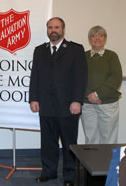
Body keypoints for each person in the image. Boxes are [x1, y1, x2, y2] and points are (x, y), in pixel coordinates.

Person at [29, 17, 87, 186]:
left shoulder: (75, 49)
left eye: (56, 27)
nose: (53, 30)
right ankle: (48, 172)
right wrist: (33, 98)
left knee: (69, 144)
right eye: (50, 27)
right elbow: (35, 77)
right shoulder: (39, 50)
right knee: (47, 142)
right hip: (46, 105)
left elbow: (80, 78)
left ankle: (70, 176)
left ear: (63, 29)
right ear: (47, 30)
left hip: (68, 106)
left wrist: (77, 101)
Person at [81, 26, 122, 144]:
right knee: (90, 138)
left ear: (105, 39)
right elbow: (78, 78)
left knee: (109, 138)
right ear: (89, 39)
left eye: (100, 35)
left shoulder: (112, 56)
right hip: (87, 103)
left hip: (108, 103)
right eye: (93, 35)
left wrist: (98, 94)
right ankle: (92, 162)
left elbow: (115, 78)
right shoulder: (83, 56)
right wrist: (90, 95)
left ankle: (109, 163)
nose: (97, 38)